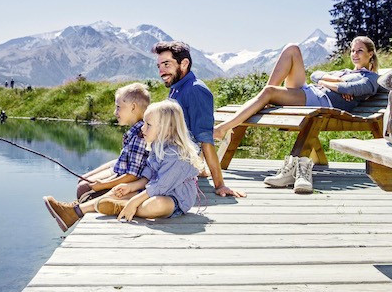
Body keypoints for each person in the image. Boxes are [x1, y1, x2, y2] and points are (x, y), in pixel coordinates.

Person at [43, 99, 205, 229]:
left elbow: (160, 186)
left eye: (148, 125)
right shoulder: (158, 146)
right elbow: (149, 175)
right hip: (152, 190)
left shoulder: (178, 156)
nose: (142, 128)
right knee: (118, 192)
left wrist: (134, 200)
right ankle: (74, 212)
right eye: (144, 123)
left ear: (167, 130)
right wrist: (131, 187)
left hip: (175, 199)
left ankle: (120, 207)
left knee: (156, 204)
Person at [213, 36, 380, 141]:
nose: (354, 54)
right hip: (312, 92)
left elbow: (349, 89)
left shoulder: (371, 79)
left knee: (269, 92)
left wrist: (330, 84)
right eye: (352, 50)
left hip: (321, 101)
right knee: (292, 49)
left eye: (360, 50)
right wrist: (335, 81)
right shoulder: (345, 71)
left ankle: (223, 129)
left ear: (370, 54)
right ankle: (264, 101)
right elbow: (315, 74)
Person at [151, 41, 246, 198]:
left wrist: (220, 185)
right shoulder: (176, 88)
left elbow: (205, 139)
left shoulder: (196, 90)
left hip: (177, 162)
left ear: (184, 63)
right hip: (167, 154)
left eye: (166, 64)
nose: (161, 71)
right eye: (159, 66)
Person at [74, 83, 151, 202]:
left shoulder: (139, 135)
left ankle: (74, 212)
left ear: (133, 107)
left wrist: (104, 185)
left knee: (83, 189)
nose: (115, 112)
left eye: (119, 107)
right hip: (120, 174)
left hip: (128, 185)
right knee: (83, 182)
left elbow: (132, 176)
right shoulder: (135, 131)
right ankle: (74, 210)